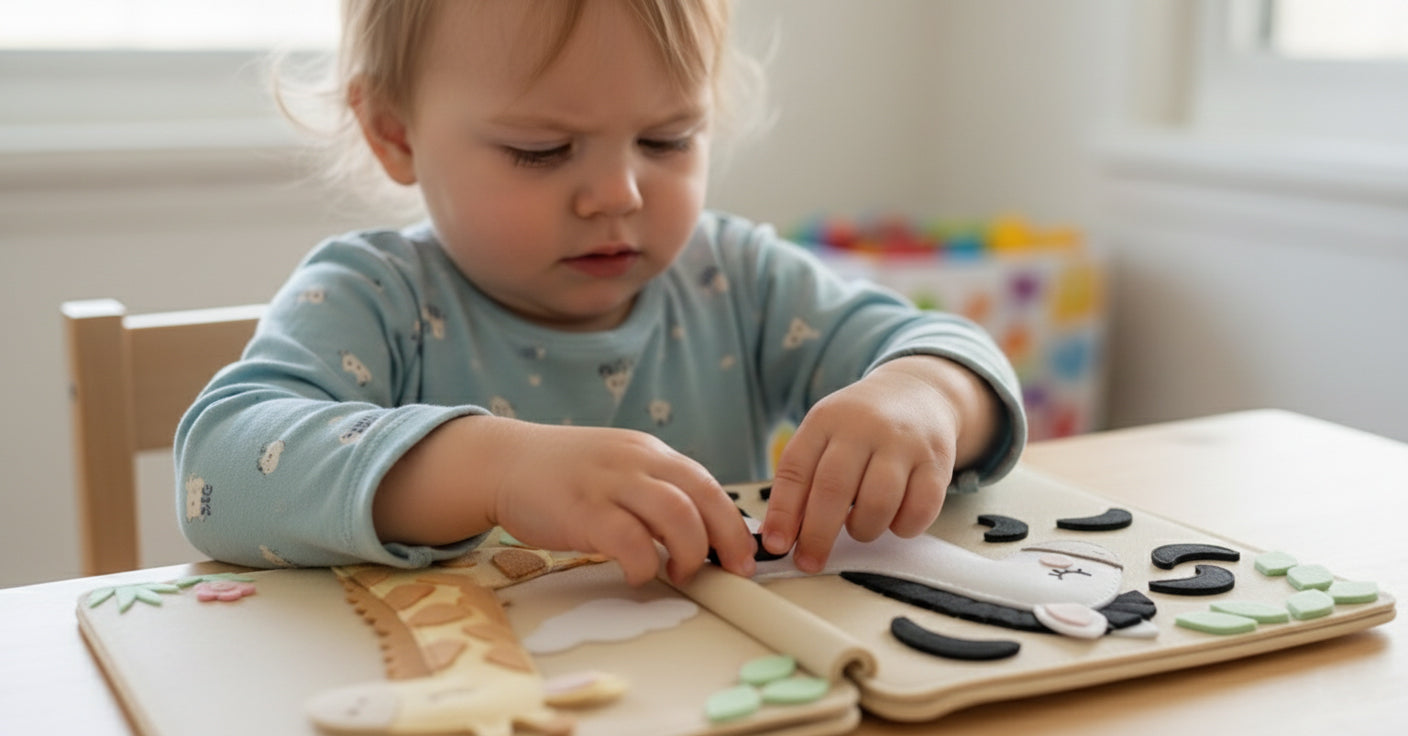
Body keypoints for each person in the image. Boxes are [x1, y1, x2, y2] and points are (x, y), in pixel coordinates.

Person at [175, 0, 1027, 589]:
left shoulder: (736, 277)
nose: (618, 193)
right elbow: (219, 472)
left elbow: (954, 357)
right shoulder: (375, 296)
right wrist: (497, 470)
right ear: (395, 133)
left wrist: (924, 395)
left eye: (668, 138)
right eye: (541, 150)